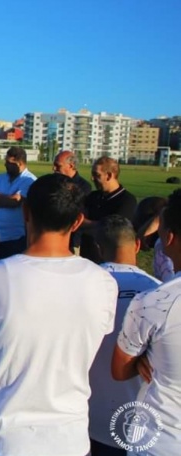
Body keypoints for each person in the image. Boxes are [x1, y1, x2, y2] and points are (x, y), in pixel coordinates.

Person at [0, 173, 118, 456]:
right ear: (77, 222)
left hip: (0, 439)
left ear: (26, 212)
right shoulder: (104, 283)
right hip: (69, 440)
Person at [112, 188, 181, 456]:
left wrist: (142, 358)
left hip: (161, 440)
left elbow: (120, 370)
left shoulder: (153, 301)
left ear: (170, 238)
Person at [89, 215, 160, 455]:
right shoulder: (158, 291)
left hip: (84, 418)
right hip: (138, 422)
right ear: (137, 245)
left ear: (99, 249)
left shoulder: (82, 286)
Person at [80, 156, 137, 263]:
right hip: (87, 256)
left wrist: (86, 224)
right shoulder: (93, 196)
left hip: (110, 260)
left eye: (96, 175)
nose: (92, 178)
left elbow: (115, 230)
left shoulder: (127, 200)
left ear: (109, 175)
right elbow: (78, 219)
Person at [0, 146, 36, 261]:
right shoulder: (1, 178)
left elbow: (15, 202)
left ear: (20, 163)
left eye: (8, 162)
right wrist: (6, 199)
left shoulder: (29, 180)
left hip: (14, 235)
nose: (5, 164)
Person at [53, 150, 92, 253]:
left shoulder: (83, 187)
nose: (54, 168)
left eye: (58, 166)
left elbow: (76, 214)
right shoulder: (53, 182)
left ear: (71, 166)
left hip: (71, 241)